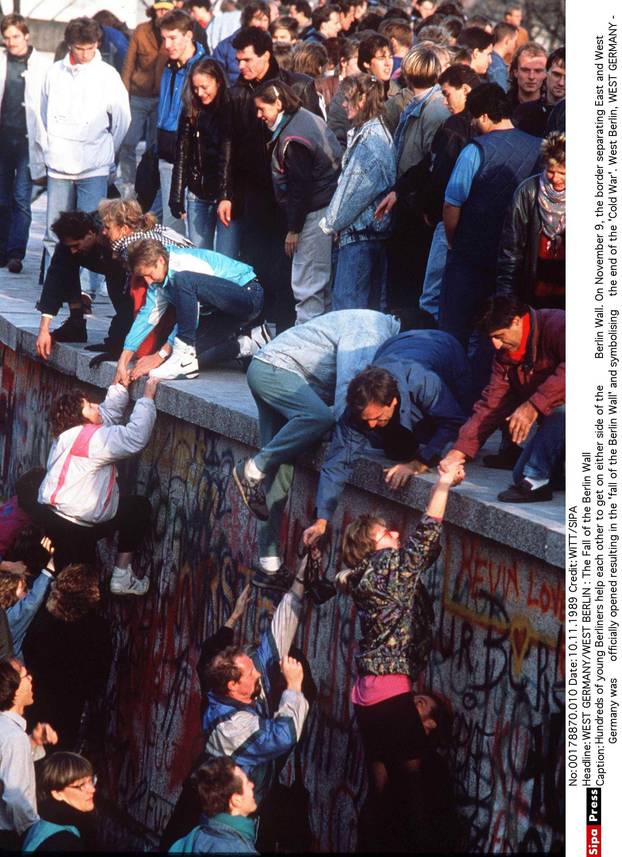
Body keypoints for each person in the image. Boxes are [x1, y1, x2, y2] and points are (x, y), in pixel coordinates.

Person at [338, 458, 463, 851]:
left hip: (364, 695)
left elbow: (346, 577)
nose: (395, 533)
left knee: (381, 786)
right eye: (386, 533)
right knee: (416, 790)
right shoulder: (390, 568)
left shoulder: (360, 577)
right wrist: (443, 483)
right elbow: (428, 531)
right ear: (374, 546)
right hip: (390, 693)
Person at [232, 309, 400, 589]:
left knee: (281, 467)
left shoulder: (371, 328)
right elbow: (348, 395)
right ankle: (251, 469)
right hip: (275, 371)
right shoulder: (371, 333)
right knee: (319, 418)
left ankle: (268, 564)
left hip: (274, 373)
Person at [303, 329, 472, 546]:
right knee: (393, 448)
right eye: (366, 420)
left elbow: (455, 422)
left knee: (457, 428)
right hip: (398, 344)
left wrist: (417, 464)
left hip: (443, 348)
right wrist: (321, 520)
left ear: (392, 402)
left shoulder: (422, 381)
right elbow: (338, 462)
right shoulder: (360, 409)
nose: (371, 425)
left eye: (376, 418)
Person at [217, 26, 322, 331]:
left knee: (289, 267)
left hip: (291, 193)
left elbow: (315, 138)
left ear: (266, 56)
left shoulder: (299, 86)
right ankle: (254, 333)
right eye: (237, 60)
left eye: (247, 59)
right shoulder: (237, 93)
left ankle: (286, 332)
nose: (240, 67)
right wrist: (226, 193)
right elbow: (228, 146)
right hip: (255, 192)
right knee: (255, 265)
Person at [438, 83, 541, 393]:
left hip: (471, 255)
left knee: (454, 330)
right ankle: (489, 396)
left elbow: (452, 203)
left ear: (484, 116)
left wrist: (455, 243)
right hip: (517, 260)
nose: (472, 124)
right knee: (499, 334)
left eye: (474, 117)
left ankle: (453, 398)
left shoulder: (476, 149)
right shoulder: (539, 147)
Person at [25, 379, 158, 594]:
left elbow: (105, 417)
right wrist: (148, 398)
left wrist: (120, 385)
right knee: (77, 593)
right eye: (89, 406)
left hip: (56, 519)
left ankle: (118, 579)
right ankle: (121, 576)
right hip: (74, 527)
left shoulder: (68, 435)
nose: (96, 406)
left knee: (135, 509)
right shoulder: (90, 440)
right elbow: (135, 437)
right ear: (81, 419)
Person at [440, 295, 565, 503]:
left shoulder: (558, 324)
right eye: (491, 338)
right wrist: (459, 451)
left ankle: (539, 481)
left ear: (516, 321)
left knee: (562, 412)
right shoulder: (505, 358)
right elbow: (491, 406)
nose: (496, 345)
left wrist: (533, 405)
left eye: (499, 336)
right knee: (521, 475)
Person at [201, 571, 309, 807]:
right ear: (233, 686)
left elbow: (279, 632)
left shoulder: (240, 687)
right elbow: (284, 735)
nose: (258, 673)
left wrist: (301, 574)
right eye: (250, 673)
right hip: (233, 812)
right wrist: (293, 687)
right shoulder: (230, 727)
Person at [40, 17, 130, 274]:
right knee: (53, 231)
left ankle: (89, 286)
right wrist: (52, 144)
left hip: (94, 164)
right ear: (69, 45)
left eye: (91, 47)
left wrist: (109, 149)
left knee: (93, 230)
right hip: (59, 162)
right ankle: (53, 283)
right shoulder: (53, 72)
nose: (86, 53)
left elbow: (122, 119)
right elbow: (44, 113)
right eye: (80, 48)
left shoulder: (108, 75)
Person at [118, 239, 269, 381]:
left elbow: (192, 315)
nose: (148, 281)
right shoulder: (157, 281)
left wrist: (160, 354)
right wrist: (123, 361)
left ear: (160, 261)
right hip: (221, 313)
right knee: (197, 361)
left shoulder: (182, 263)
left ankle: (183, 354)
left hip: (249, 296)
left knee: (183, 280)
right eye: (143, 277)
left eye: (149, 274)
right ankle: (251, 342)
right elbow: (147, 318)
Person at [254, 80, 341, 324]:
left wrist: (294, 229)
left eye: (263, 109)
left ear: (279, 104)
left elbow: (299, 188)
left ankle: (305, 348)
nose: (259, 115)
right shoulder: (304, 118)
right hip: (325, 207)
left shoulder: (293, 138)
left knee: (308, 286)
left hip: (314, 213)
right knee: (320, 287)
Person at [380, 44, 450, 320]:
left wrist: (414, 200)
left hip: (415, 205)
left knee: (409, 277)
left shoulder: (432, 111)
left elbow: (427, 162)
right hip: (406, 197)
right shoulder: (416, 105)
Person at [321, 75, 396, 311]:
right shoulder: (373, 133)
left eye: (347, 99)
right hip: (367, 237)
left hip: (359, 239)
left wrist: (329, 224)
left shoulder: (370, 141)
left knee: (348, 315)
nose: (343, 105)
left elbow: (351, 192)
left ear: (362, 99)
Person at [22, 564, 112, 753]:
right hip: (70, 702)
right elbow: (99, 676)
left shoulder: (44, 618)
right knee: (58, 754)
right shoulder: (97, 629)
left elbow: (28, 649)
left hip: (37, 694)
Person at [417, 63, 482, 322]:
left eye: (447, 94)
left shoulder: (455, 126)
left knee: (432, 294)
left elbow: (440, 174)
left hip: (450, 218)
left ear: (465, 89)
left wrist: (430, 211)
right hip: (479, 222)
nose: (445, 102)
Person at [34, 210, 135, 360]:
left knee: (124, 314)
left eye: (76, 245)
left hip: (127, 269)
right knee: (65, 264)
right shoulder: (68, 246)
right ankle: (76, 324)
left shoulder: (114, 237)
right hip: (108, 265)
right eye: (70, 246)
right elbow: (54, 281)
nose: (74, 250)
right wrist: (44, 330)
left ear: (90, 233)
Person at [170, 58, 240, 255]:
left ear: (218, 82)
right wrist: (176, 194)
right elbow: (182, 154)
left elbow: (229, 156)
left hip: (227, 194)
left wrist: (226, 195)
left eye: (204, 87)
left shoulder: (231, 108)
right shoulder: (191, 110)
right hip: (198, 192)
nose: (200, 93)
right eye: (196, 88)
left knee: (227, 257)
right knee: (200, 257)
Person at [0, 14, 47, 274]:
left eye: (16, 36)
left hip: (28, 139)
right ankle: (2, 249)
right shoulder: (2, 60)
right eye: (6, 37)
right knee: (2, 198)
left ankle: (16, 252)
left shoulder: (41, 64)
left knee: (21, 197)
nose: (11, 42)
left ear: (26, 36)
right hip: (3, 137)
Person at [497, 132, 565, 309]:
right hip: (534, 290)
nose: (556, 179)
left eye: (563, 173)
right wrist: (506, 299)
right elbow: (511, 250)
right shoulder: (527, 192)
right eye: (551, 171)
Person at [0, 659, 58, 849]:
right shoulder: (14, 738)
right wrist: (35, 832)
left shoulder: (8, 732)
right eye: (25, 676)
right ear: (13, 691)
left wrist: (32, 742)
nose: (31, 678)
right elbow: (15, 798)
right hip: (9, 839)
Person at [156, 9, 206, 231]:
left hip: (190, 159)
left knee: (190, 230)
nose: (167, 45)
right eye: (164, 38)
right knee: (168, 226)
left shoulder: (204, 67)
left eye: (173, 38)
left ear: (188, 35)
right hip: (165, 154)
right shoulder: (168, 65)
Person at [117, 2, 170, 195]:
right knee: (128, 141)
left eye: (167, 9)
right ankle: (129, 184)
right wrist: (124, 94)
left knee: (154, 146)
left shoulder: (173, 34)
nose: (162, 13)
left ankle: (150, 186)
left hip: (162, 97)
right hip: (139, 95)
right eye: (160, 9)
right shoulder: (141, 30)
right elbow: (128, 63)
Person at [168, 758, 258, 853]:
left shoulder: (192, 838)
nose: (252, 785)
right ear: (236, 800)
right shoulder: (238, 849)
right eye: (247, 782)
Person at [22, 752, 99, 851]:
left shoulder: (44, 821)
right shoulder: (64, 842)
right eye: (81, 785)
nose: (92, 789)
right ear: (57, 794)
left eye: (91, 781)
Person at [0, 537, 54, 662]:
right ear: (10, 592)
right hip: (15, 671)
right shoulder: (8, 619)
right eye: (24, 589)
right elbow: (30, 604)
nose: (27, 592)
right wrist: (49, 570)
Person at [212, 1, 271, 85]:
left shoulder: (273, 44)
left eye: (265, 20)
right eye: (258, 19)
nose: (262, 24)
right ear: (247, 20)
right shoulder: (226, 47)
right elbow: (217, 76)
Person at [488, 21, 517, 92]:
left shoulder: (488, 58)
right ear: (507, 41)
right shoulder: (498, 68)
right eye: (514, 41)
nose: (515, 45)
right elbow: (499, 97)